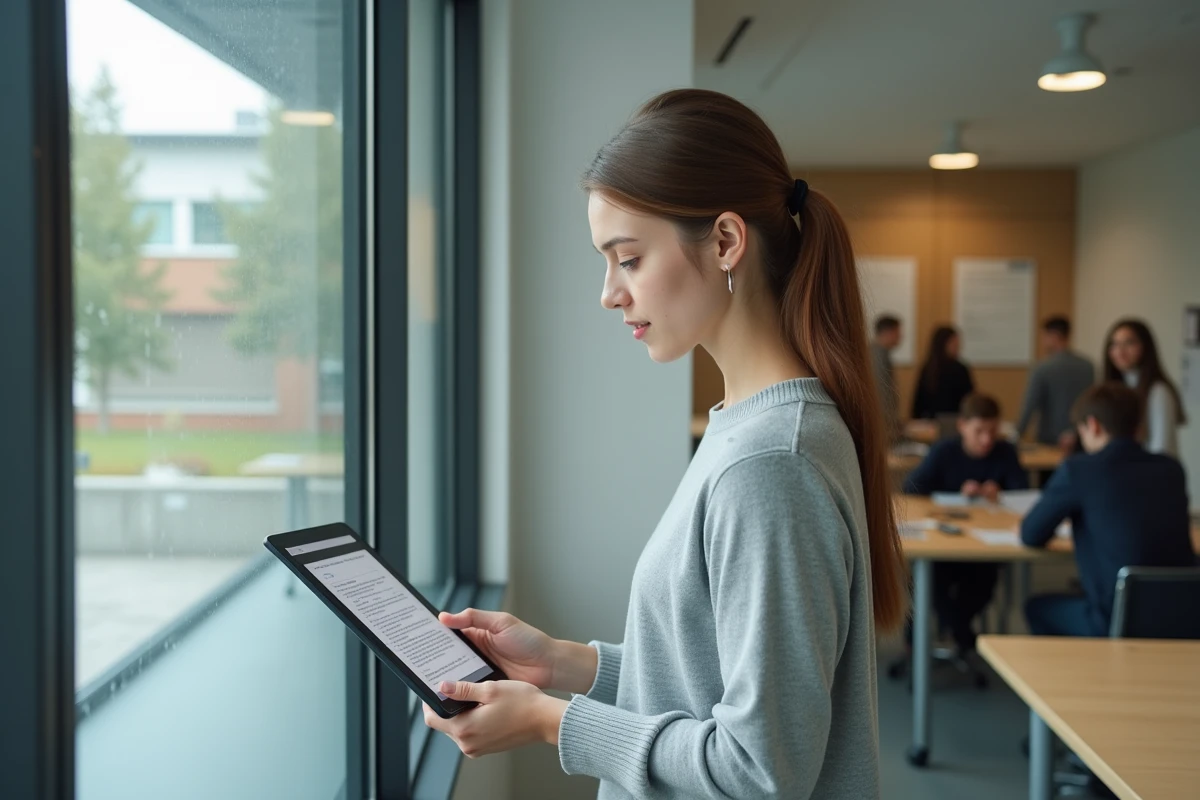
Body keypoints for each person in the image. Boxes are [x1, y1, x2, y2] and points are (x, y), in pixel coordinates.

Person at [421, 89, 907, 799]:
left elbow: (760, 769)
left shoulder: (771, 463)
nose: (609, 293)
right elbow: (705, 678)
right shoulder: (747, 427)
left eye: (629, 259)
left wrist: (554, 722)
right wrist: (562, 665)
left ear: (725, 242)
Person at [1021, 382, 1193, 637]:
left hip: (1115, 618)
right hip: (1184, 614)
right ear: (1138, 426)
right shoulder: (1172, 470)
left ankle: (1080, 675)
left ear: (1093, 425)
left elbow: (1031, 534)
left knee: (1036, 608)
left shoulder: (1079, 470)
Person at [903, 393, 1029, 654]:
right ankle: (962, 634)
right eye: (979, 431)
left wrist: (1000, 493)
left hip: (985, 548)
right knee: (929, 578)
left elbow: (1024, 494)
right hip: (944, 545)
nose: (986, 439)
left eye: (992, 431)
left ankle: (954, 631)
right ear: (962, 426)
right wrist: (957, 492)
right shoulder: (944, 451)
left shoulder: (1005, 452)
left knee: (983, 581)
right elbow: (911, 487)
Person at [1103, 318, 1187, 458]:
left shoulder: (1158, 391)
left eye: (1129, 343)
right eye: (1115, 344)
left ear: (1145, 346)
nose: (1120, 351)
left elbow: (1162, 449)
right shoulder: (1116, 389)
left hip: (1149, 475)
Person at [1016, 316, 1095, 449]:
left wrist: (1017, 434)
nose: (1043, 342)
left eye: (1044, 336)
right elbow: (1092, 403)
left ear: (1054, 336)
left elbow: (1030, 405)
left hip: (1049, 440)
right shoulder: (1088, 366)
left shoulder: (1042, 368)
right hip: (1081, 437)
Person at [911, 325, 974, 422]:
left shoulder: (961, 368)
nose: (958, 347)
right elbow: (919, 400)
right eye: (953, 343)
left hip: (956, 420)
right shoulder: (929, 368)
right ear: (943, 344)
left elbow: (969, 398)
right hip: (932, 422)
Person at [871, 314, 903, 443]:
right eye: (898, 332)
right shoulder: (878, 355)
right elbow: (882, 392)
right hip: (881, 423)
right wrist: (891, 423)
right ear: (888, 332)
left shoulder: (876, 352)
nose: (900, 337)